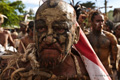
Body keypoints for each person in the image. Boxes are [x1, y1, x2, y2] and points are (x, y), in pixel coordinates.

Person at [0, 0, 90, 80]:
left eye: (60, 29)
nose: (49, 39)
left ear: (76, 35)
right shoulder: (16, 71)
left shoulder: (90, 71)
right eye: (41, 28)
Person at [86, 11, 118, 80]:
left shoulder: (110, 37)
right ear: (91, 22)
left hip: (106, 70)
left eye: (102, 21)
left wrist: (114, 73)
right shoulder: (86, 38)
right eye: (97, 21)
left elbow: (115, 58)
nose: (100, 23)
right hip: (91, 71)